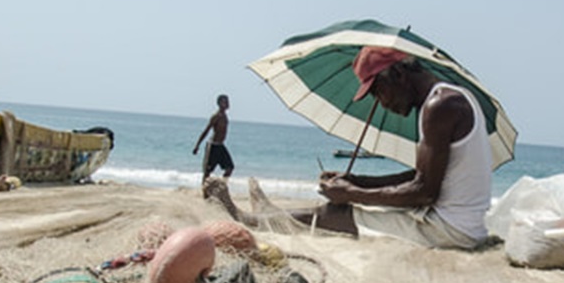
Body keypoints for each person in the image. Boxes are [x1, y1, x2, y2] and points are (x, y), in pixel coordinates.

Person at [210, 48, 492, 250]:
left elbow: (424, 192)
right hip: (457, 223)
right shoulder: (446, 98)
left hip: (449, 231)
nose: (380, 103)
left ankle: (248, 219)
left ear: (398, 76)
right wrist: (357, 182)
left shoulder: (438, 106)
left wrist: (353, 194)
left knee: (337, 214)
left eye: (377, 91)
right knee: (340, 205)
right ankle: (270, 215)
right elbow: (421, 176)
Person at [192, 94, 233, 182]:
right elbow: (206, 131)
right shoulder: (216, 116)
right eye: (225, 102)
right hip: (213, 146)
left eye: (227, 101)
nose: (227, 103)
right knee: (207, 171)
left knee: (229, 168)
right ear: (219, 103)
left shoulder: (225, 116)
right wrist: (197, 145)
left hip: (221, 145)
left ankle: (221, 186)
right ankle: (205, 192)